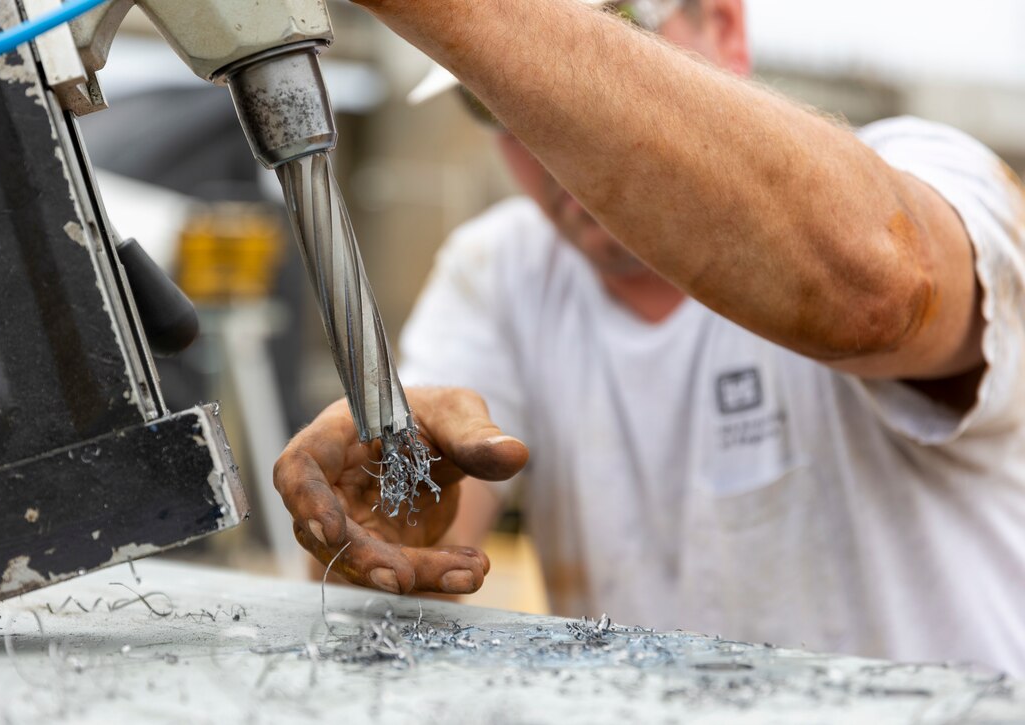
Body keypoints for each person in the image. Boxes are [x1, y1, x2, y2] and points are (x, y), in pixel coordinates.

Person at [273, 0, 1025, 673]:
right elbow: (407, 553)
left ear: (723, 27)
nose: (545, 130)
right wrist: (378, 530)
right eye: (489, 92)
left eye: (611, 37)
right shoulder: (501, 270)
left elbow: (883, 288)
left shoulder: (928, 177)